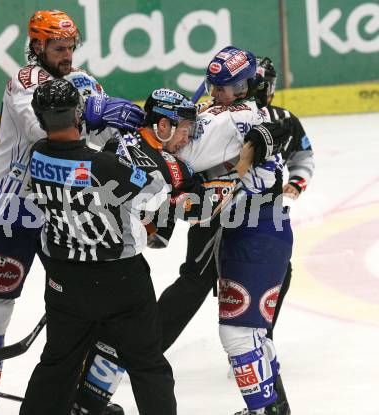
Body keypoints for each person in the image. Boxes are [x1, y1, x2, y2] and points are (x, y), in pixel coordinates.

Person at [20, 80, 243, 415]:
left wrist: (122, 140)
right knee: (147, 365)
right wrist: (137, 149)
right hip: (119, 281)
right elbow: (155, 193)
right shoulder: (104, 166)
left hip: (63, 281)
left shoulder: (37, 155)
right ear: (77, 115)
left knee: (56, 365)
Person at [73, 77, 293, 414]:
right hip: (116, 261)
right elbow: (194, 208)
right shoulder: (158, 165)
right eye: (185, 130)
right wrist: (234, 178)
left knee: (109, 335)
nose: (189, 138)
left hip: (82, 251)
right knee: (141, 346)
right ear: (163, 124)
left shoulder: (130, 142)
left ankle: (84, 403)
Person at [0, 9, 144, 414]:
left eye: (70, 47)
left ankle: (80, 400)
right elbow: (42, 131)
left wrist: (128, 136)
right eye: (58, 48)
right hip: (12, 208)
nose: (67, 55)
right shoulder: (25, 82)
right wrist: (93, 113)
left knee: (90, 303)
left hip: (63, 208)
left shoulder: (82, 82)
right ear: (37, 46)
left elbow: (100, 138)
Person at [254, 56, 315, 341]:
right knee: (196, 282)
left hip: (264, 214)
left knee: (280, 271)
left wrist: (296, 182)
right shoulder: (219, 119)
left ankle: (260, 337)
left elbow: (302, 156)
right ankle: (143, 350)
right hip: (219, 214)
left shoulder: (285, 120)